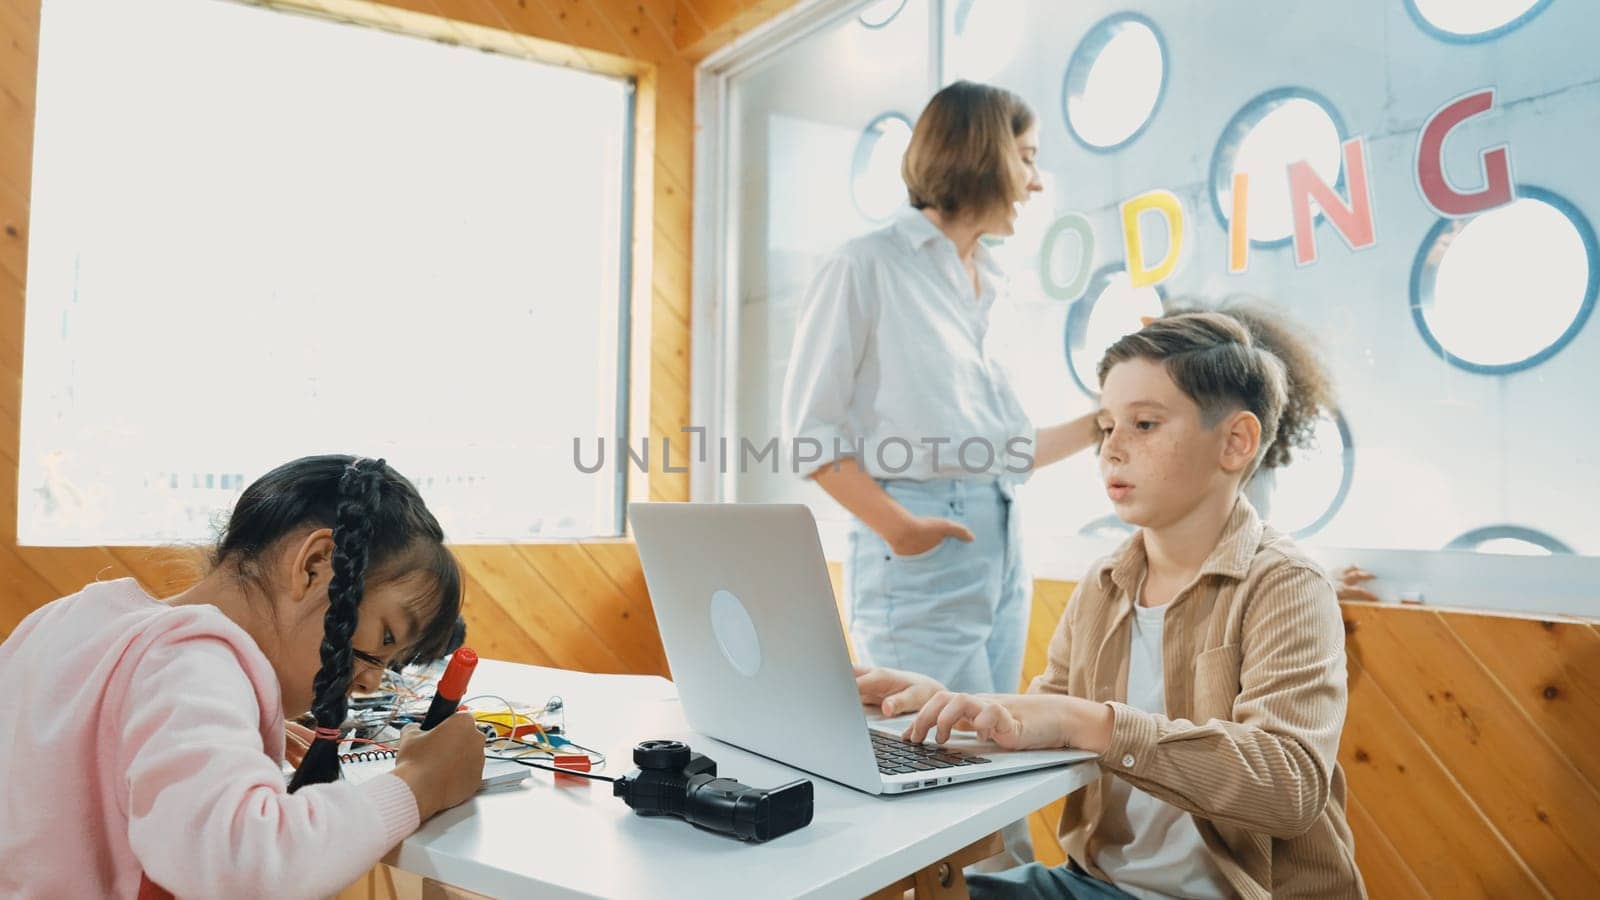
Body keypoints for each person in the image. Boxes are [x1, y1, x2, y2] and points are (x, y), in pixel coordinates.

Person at [856, 314, 1365, 897]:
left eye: (1144, 424)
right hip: (1097, 886)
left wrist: (1091, 723)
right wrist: (942, 705)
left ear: (1235, 442)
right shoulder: (1103, 582)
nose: (1112, 449)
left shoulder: (1288, 585)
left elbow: (1289, 788)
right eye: (1106, 426)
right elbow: (1035, 723)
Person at [0, 455, 485, 898]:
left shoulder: (65, 617)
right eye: (383, 640)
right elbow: (244, 864)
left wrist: (231, 733)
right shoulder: (194, 661)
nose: (370, 684)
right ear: (317, 567)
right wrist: (422, 783)